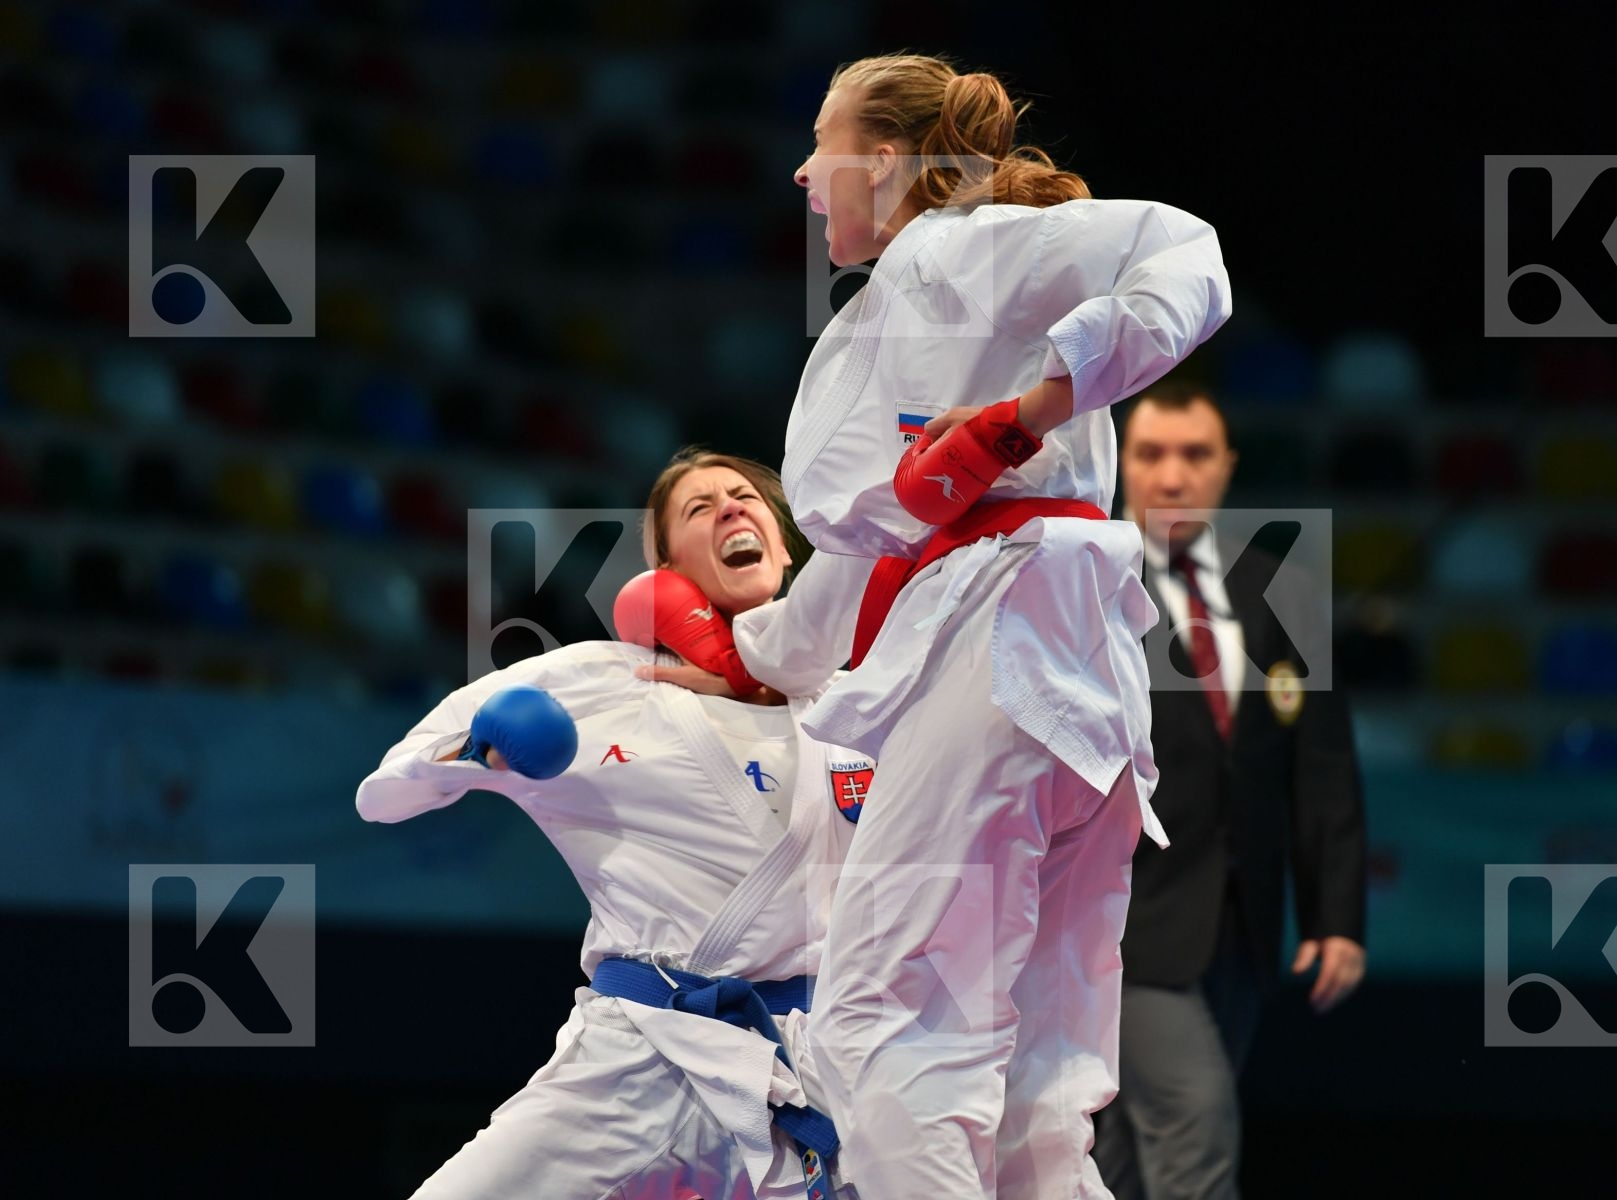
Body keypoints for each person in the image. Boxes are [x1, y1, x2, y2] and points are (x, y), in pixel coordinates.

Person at [644, 54, 1231, 1199]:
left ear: (894, 162)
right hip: (1066, 683)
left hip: (1005, 649)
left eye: (826, 144)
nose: (805, 172)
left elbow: (1191, 255)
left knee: (891, 1019)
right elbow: (867, 557)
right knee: (1041, 1077)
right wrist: (736, 650)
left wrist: (1031, 409)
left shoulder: (961, 246)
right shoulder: (919, 287)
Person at [356, 450, 870, 1200]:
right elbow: (385, 793)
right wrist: (481, 748)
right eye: (699, 509)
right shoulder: (597, 679)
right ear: (663, 565)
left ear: (785, 544)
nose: (730, 508)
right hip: (640, 1057)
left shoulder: (854, 702)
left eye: (744, 497)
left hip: (820, 1064)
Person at [1093, 390, 1367, 1200]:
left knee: (1124, 1158)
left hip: (1241, 924)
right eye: (1150, 455)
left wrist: (1335, 919)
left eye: (1195, 454)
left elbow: (1319, 766)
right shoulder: (1087, 587)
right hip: (1119, 924)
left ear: (1226, 466)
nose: (1172, 476)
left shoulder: (1284, 591)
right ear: (1119, 464)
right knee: (1194, 1123)